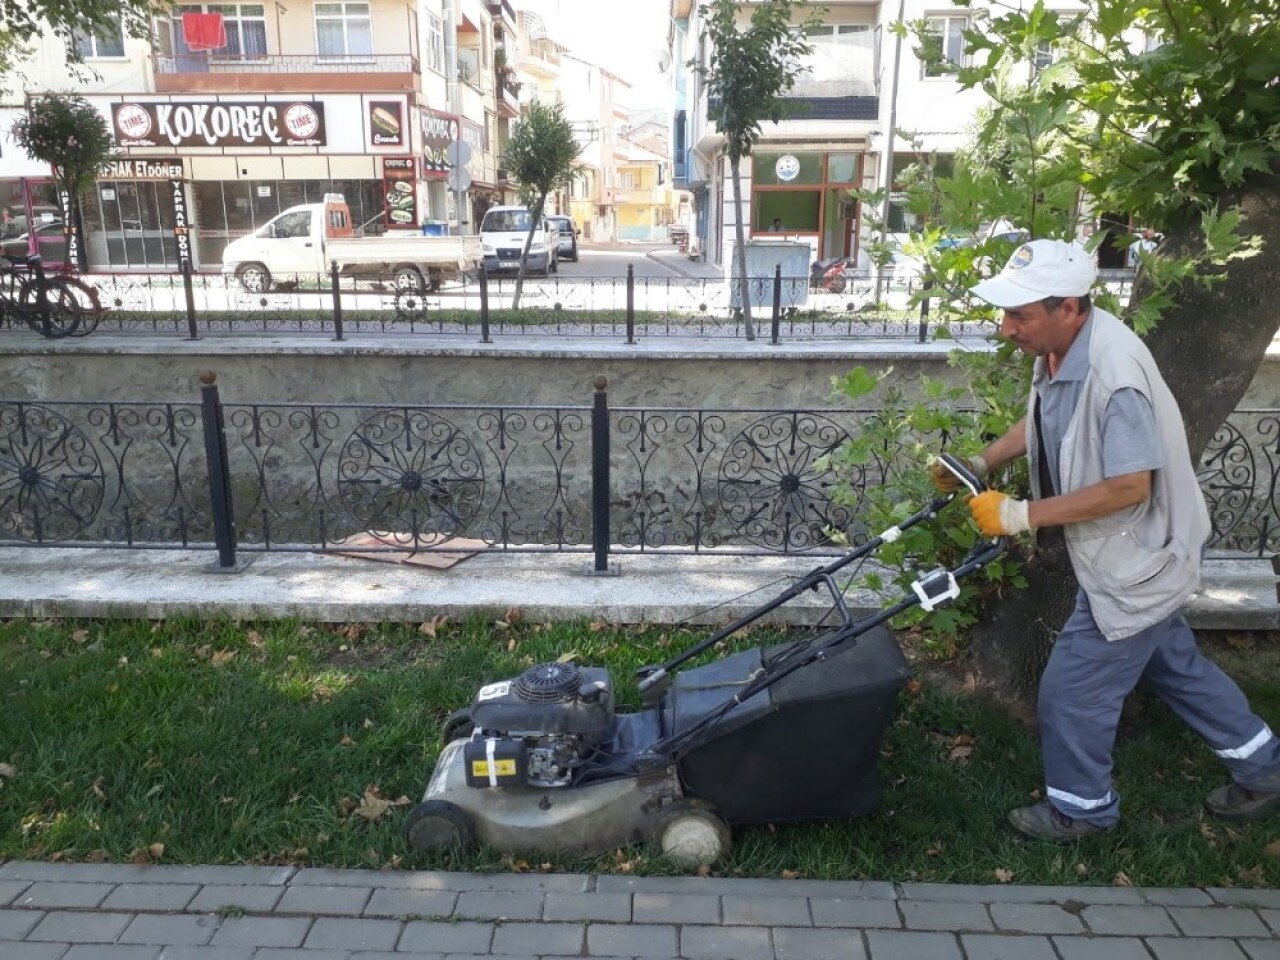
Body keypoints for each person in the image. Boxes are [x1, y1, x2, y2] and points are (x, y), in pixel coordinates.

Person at [929, 238, 1280, 841]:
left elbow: (1129, 487)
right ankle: (1266, 769)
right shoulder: (1065, 348)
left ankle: (1082, 811)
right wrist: (981, 462)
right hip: (1129, 550)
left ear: (1068, 306)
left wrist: (1021, 515)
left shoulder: (1115, 377)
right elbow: (1042, 413)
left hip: (1137, 557)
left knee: (1070, 693)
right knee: (1177, 668)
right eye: (1006, 313)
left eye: (1020, 315)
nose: (1006, 327)